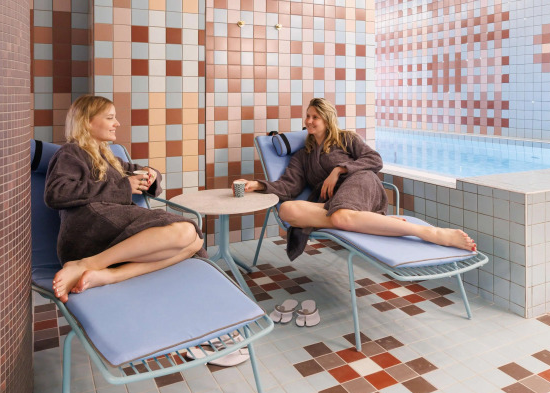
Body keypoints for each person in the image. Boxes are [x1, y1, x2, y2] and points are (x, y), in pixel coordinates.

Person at [234, 97, 475, 260]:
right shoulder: (303, 155)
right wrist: (258, 184)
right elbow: (289, 185)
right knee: (287, 209)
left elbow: (375, 160)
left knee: (339, 215)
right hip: (335, 202)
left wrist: (339, 170)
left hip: (361, 183)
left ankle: (430, 233)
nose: (308, 121)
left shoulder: (347, 139)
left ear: (327, 119)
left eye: (315, 117)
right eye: (307, 116)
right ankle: (368, 220)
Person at [45, 95, 204, 303]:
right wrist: (123, 187)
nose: (117, 123)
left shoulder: (107, 156)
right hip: (89, 232)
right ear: (87, 122)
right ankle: (86, 264)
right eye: (110, 118)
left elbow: (137, 171)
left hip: (111, 232)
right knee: (187, 232)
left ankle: (109, 275)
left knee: (195, 241)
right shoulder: (72, 152)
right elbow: (56, 192)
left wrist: (150, 174)